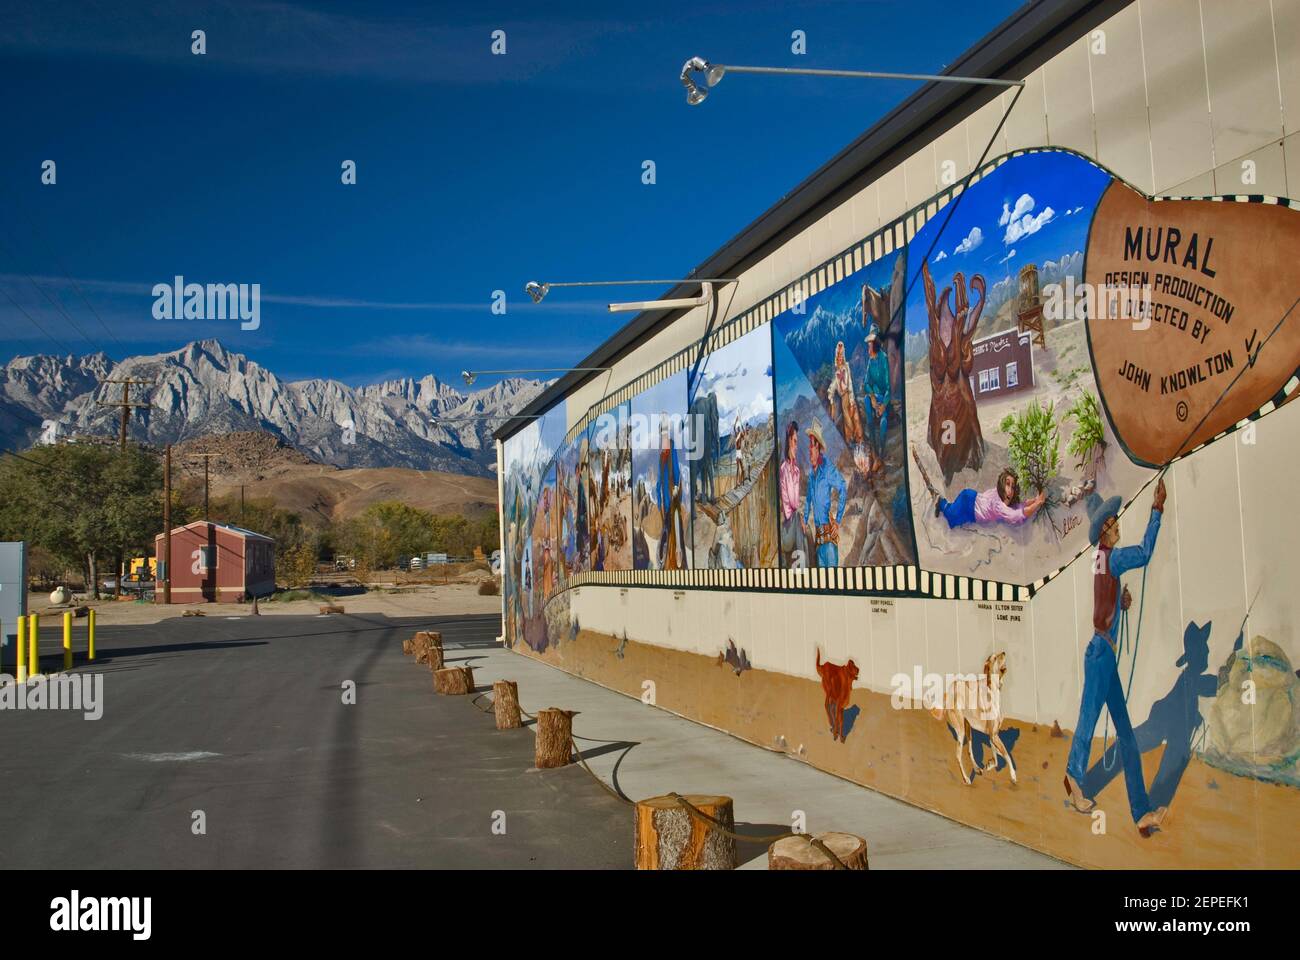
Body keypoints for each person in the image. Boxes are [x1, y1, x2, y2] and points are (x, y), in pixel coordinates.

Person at [1064, 477, 1169, 838]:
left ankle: (1141, 813)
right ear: (1104, 529)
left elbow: (1103, 601)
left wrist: (1119, 605)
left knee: (1124, 734)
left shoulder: (1099, 559)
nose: (1117, 523)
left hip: (1101, 651)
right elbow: (1144, 553)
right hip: (1101, 654)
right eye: (1113, 520)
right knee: (1090, 719)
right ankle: (1074, 778)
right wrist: (1157, 510)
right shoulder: (1115, 557)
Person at [935, 468, 1046, 528]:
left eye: (1012, 487)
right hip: (970, 504)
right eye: (1008, 484)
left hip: (971, 501)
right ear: (1002, 484)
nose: (1010, 490)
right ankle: (942, 503)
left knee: (958, 519)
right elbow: (1016, 515)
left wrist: (1035, 500)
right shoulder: (999, 506)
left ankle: (946, 506)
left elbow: (1018, 506)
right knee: (952, 516)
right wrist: (1037, 504)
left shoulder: (1001, 497)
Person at [802, 421, 847, 567]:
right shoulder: (811, 476)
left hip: (829, 544)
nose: (809, 449)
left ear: (819, 448)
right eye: (809, 444)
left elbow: (842, 487)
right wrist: (804, 519)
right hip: (818, 542)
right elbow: (808, 500)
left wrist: (838, 520)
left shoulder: (827, 469)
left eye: (813, 445)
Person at [656, 414, 686, 570]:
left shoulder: (672, 449)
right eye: (662, 435)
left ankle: (679, 551)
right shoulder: (660, 457)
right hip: (665, 502)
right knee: (664, 533)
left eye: (666, 434)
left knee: (676, 521)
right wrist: (658, 499)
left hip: (673, 497)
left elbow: (677, 470)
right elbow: (658, 482)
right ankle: (661, 560)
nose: (664, 438)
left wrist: (676, 487)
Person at [864, 324, 891, 476]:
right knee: (867, 402)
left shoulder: (883, 359)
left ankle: (880, 455)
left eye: (870, 345)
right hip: (875, 398)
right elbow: (866, 383)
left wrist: (882, 406)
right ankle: (874, 453)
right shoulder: (870, 362)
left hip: (883, 401)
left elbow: (888, 388)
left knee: (883, 422)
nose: (868, 349)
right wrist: (873, 397)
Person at [826, 340, 865, 445]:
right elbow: (831, 389)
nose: (840, 358)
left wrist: (852, 400)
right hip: (843, 398)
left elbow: (850, 384)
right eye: (838, 356)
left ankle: (859, 440)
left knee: (855, 418)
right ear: (836, 359)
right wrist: (831, 401)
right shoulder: (837, 374)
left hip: (849, 395)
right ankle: (851, 440)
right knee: (847, 418)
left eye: (841, 356)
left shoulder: (846, 368)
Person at [779, 420, 807, 564]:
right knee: (797, 518)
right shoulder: (785, 469)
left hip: (794, 523)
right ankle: (802, 570)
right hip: (787, 528)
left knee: (801, 524)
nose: (796, 447)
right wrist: (800, 514)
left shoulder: (795, 470)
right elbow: (793, 501)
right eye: (795, 442)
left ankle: (804, 568)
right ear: (789, 441)